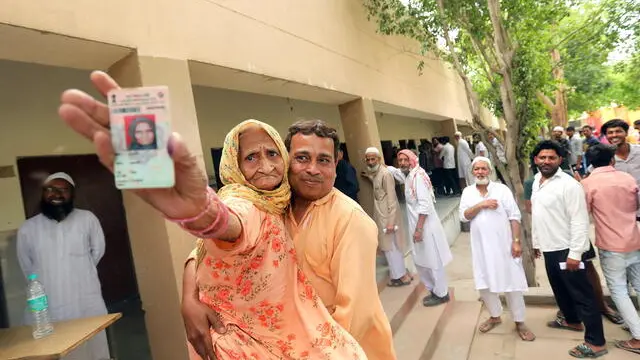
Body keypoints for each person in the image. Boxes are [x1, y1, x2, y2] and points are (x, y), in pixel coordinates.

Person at [57, 73, 393, 359]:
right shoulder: (259, 202)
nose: (313, 170)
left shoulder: (351, 220)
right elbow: (224, 229)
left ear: (338, 164)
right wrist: (191, 288)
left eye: (324, 160)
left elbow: (353, 317)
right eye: (302, 157)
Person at [184, 119, 366, 359]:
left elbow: (357, 312)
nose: (266, 165)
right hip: (241, 342)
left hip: (312, 340)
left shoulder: (345, 217)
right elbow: (224, 226)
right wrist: (189, 298)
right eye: (251, 157)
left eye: (272, 154)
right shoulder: (249, 202)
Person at [17, 172, 110, 360]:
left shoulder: (87, 219)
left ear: (72, 193)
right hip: (48, 303)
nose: (56, 194)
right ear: (43, 194)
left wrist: (78, 269)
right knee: (52, 349)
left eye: (63, 189)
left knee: (92, 348)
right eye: (50, 189)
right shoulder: (28, 228)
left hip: (84, 300)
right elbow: (26, 265)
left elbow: (97, 251)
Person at [530, 140, 607, 358]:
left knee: (583, 295)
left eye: (551, 157)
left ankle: (596, 343)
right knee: (560, 289)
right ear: (536, 160)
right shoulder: (537, 180)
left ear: (560, 160)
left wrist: (575, 253)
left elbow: (580, 221)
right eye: (542, 157)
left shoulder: (569, 184)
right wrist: (537, 243)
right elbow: (538, 215)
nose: (546, 161)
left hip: (567, 249)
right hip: (549, 247)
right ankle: (572, 321)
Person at [459, 157, 535, 342]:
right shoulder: (468, 192)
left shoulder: (501, 190)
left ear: (490, 171)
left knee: (512, 284)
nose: (480, 172)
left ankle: (520, 321)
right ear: (472, 172)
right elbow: (463, 216)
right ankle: (495, 316)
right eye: (476, 169)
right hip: (481, 249)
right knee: (485, 283)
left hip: (504, 246)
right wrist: (481, 204)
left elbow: (514, 216)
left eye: (484, 169)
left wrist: (516, 242)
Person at [581, 144, 640, 355]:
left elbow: (583, 214)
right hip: (634, 240)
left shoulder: (588, 184)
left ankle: (638, 337)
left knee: (619, 291)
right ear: (613, 160)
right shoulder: (628, 179)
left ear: (589, 163)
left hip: (611, 245)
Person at [388, 150, 452, 306]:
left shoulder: (418, 178)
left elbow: (425, 205)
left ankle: (441, 293)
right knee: (422, 260)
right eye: (400, 160)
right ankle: (434, 291)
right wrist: (381, 165)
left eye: (405, 160)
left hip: (425, 228)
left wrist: (419, 229)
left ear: (413, 160)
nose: (402, 163)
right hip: (417, 227)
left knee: (433, 260)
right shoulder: (410, 175)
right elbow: (397, 173)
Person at [361, 147, 411, 287]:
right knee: (390, 247)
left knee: (391, 247)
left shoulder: (385, 174)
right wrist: (369, 177)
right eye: (368, 159)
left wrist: (390, 222)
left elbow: (391, 199)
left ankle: (399, 277)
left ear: (379, 159)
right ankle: (401, 274)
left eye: (373, 159)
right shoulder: (377, 173)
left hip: (388, 218)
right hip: (382, 216)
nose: (370, 162)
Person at [601, 119, 640, 221]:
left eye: (618, 131)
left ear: (626, 133)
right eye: (610, 133)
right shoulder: (604, 158)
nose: (614, 135)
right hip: (622, 215)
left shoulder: (638, 151)